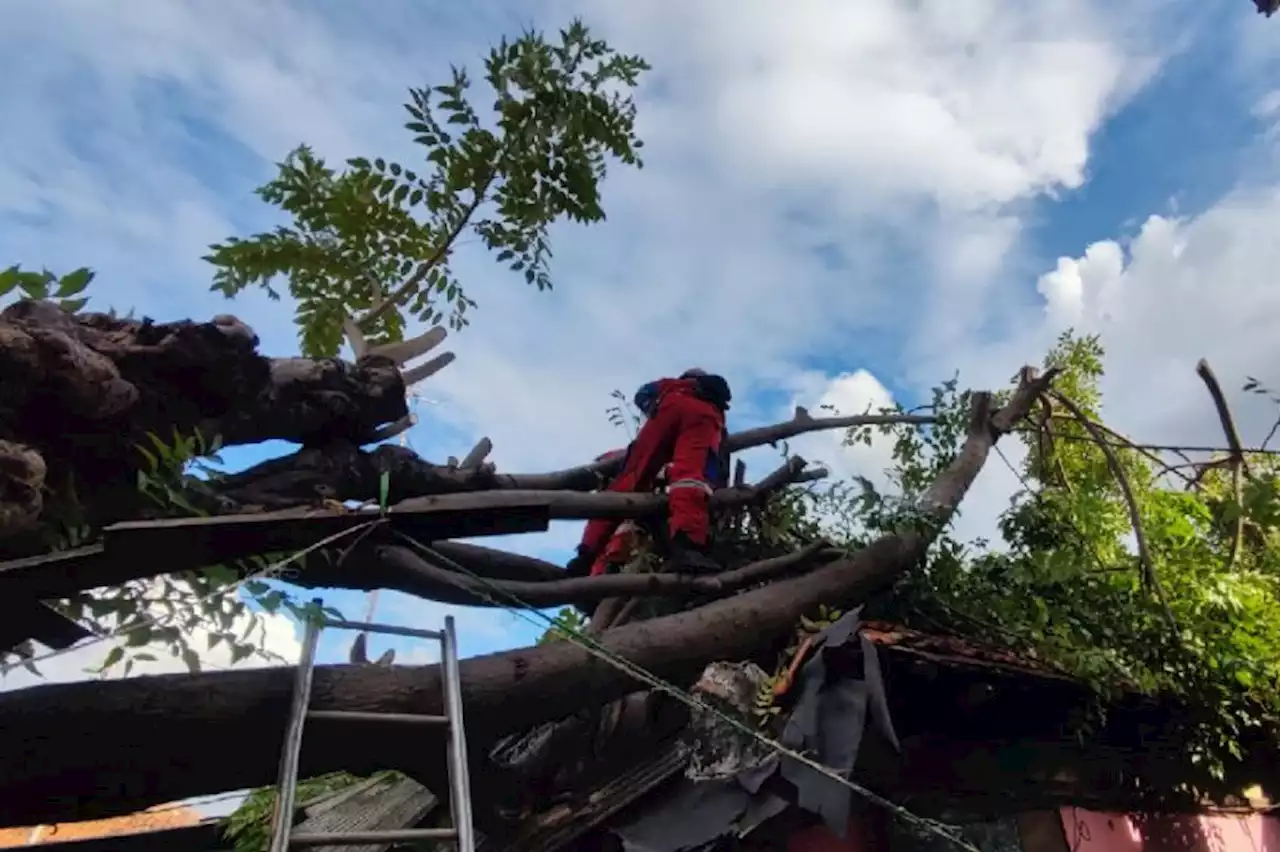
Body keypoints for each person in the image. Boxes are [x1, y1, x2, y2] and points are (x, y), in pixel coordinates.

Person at [567, 368, 732, 576]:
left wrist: (653, 410)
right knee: (691, 480)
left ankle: (585, 556)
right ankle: (687, 547)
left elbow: (642, 394)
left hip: (667, 409)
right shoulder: (713, 401)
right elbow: (718, 462)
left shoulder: (669, 385)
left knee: (629, 479)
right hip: (704, 417)